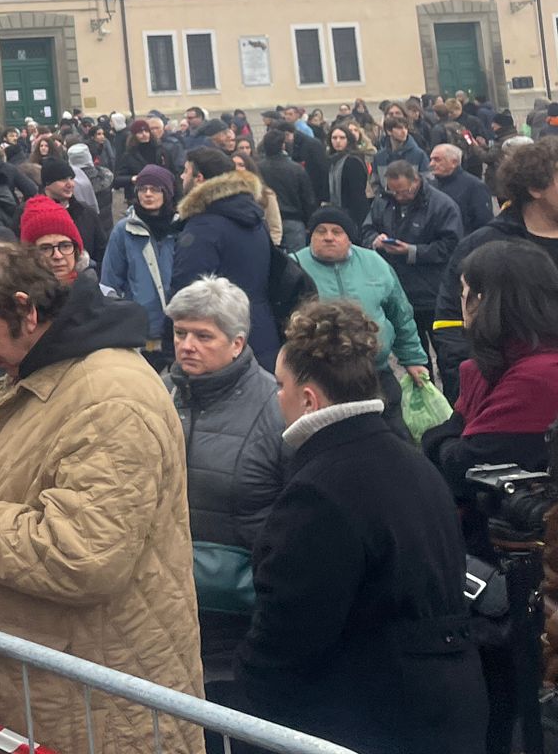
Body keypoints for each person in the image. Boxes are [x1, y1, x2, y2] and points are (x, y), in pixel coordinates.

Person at [0, 244, 203, 754]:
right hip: (45, 685)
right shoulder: (47, 371)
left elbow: (84, 553)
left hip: (93, 704)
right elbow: (37, 483)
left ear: (26, 309)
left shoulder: (109, 398)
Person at [238, 298, 484, 754]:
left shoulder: (318, 492)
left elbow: (289, 635)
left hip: (370, 717)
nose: (277, 397)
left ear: (308, 399)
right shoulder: (412, 463)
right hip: (449, 704)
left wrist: (248, 704)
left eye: (281, 385)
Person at [162, 276, 286, 699]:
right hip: (166, 603)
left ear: (237, 343)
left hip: (242, 616)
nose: (187, 345)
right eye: (180, 333)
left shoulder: (275, 406)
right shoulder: (161, 395)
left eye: (203, 336)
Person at [424, 239, 558, 499]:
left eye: (464, 292)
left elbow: (465, 464)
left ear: (481, 301)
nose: (461, 301)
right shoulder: (501, 363)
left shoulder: (538, 376)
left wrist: (439, 440)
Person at [434, 137, 558, 398]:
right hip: (514, 398)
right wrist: (475, 392)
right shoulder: (486, 245)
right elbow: (451, 325)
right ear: (535, 187)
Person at [292, 207, 426, 436]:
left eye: (337, 232)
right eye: (320, 231)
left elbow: (400, 313)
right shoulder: (294, 266)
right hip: (322, 375)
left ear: (349, 238)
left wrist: (413, 359)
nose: (328, 237)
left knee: (396, 437)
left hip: (376, 371)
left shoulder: (375, 263)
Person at [172, 149, 278, 369]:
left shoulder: (202, 227)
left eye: (186, 171)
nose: (182, 177)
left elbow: (187, 296)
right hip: (262, 330)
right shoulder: (254, 218)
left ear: (199, 178)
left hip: (218, 343)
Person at [362, 159, 462, 366]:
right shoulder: (383, 201)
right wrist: (375, 240)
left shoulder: (441, 205)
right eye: (394, 191)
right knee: (414, 357)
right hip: (398, 289)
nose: (399, 197)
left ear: (416, 181)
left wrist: (411, 251)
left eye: (404, 191)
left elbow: (451, 246)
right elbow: (366, 229)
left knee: (448, 357)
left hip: (432, 291)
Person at [100, 164, 178, 361]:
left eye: (155, 189)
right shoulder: (123, 230)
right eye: (143, 189)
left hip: (178, 325)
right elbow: (110, 281)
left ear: (167, 192)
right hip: (139, 327)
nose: (148, 194)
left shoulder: (181, 228)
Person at [18, 193, 88, 284]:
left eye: (65, 246)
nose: (57, 256)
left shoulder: (93, 293)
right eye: (45, 249)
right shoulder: (16, 295)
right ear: (29, 254)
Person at [429, 141, 495, 232]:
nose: (431, 164)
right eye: (431, 159)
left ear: (454, 162)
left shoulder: (475, 187)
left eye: (437, 160)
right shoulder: (430, 185)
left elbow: (484, 223)